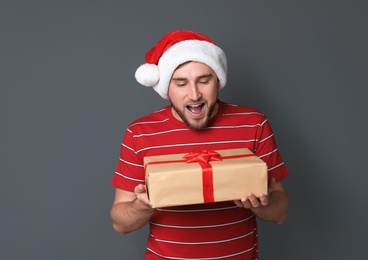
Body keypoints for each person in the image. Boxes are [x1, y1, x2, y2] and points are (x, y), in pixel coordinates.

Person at [110, 30, 289, 259]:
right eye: (181, 83)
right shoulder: (140, 132)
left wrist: (260, 204)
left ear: (218, 81)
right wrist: (143, 205)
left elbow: (280, 212)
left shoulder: (254, 123)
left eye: (204, 81)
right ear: (166, 88)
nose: (194, 95)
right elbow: (120, 224)